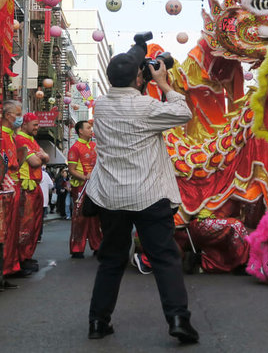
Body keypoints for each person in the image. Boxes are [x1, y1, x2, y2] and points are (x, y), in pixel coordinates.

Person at [85, 33, 199, 344]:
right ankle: (178, 320)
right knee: (164, 259)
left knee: (111, 259)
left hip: (111, 197)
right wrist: (163, 84)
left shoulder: (101, 106)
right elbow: (183, 113)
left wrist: (138, 57)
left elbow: (127, 81)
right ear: (139, 77)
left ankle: (98, 321)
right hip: (149, 196)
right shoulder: (147, 107)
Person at [15, 113, 49, 271]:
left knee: (33, 224)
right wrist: (41, 157)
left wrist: (42, 157)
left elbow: (45, 158)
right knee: (26, 225)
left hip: (34, 186)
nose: (37, 127)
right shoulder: (21, 139)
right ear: (24, 125)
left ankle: (26, 256)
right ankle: (22, 258)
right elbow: (36, 161)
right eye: (34, 125)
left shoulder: (31, 140)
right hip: (26, 187)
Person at [0, 100, 25, 279]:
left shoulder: (11, 137)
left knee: (13, 229)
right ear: (8, 116)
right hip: (7, 189)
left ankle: (12, 264)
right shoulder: (0, 137)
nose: (19, 118)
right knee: (6, 229)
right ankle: (6, 266)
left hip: (14, 187)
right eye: (18, 114)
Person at [68, 120, 102, 258]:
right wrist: (84, 177)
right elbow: (71, 170)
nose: (91, 129)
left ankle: (97, 246)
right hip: (81, 187)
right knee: (80, 218)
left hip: (95, 186)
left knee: (96, 217)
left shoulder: (94, 146)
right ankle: (77, 248)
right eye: (88, 127)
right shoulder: (75, 148)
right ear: (80, 131)